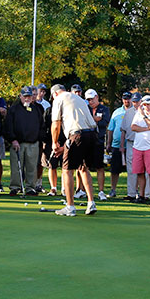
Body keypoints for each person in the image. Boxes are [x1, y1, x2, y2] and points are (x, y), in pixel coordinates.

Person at [50, 83, 99, 216]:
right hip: (92, 134)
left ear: (55, 94)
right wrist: (65, 146)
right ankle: (91, 203)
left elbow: (56, 124)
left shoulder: (59, 99)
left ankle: (70, 207)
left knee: (67, 170)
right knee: (83, 168)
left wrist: (55, 143)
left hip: (77, 135)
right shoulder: (77, 98)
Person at [5, 86, 44, 196]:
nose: (27, 99)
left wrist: (39, 139)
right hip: (18, 143)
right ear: (20, 96)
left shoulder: (37, 109)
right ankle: (15, 187)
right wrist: (12, 140)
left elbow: (42, 125)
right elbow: (8, 126)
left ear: (32, 97)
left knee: (32, 167)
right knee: (16, 167)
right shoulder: (14, 109)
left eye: (29, 96)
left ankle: (30, 187)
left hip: (33, 143)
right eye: (25, 96)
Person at [129, 94, 150, 204]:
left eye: (148, 104)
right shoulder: (138, 114)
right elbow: (133, 127)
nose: (146, 107)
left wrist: (144, 117)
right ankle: (141, 195)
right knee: (139, 172)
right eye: (144, 105)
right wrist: (147, 128)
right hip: (138, 146)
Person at [85, 89, 111, 200]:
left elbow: (104, 122)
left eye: (92, 99)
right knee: (84, 167)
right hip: (86, 141)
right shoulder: (85, 109)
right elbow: (84, 121)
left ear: (97, 97)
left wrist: (93, 120)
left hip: (99, 141)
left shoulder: (104, 109)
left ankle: (101, 191)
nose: (90, 101)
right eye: (88, 100)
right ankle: (82, 190)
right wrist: (94, 120)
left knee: (99, 167)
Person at [108, 92, 131, 195]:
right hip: (116, 145)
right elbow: (111, 129)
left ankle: (133, 191)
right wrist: (109, 143)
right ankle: (113, 189)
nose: (127, 101)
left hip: (131, 145)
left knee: (132, 170)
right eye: (125, 99)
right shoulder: (116, 112)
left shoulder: (135, 111)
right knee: (114, 169)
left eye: (128, 98)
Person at [120, 92, 143, 200]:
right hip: (130, 142)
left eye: (137, 101)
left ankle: (144, 194)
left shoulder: (146, 111)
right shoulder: (128, 113)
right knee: (131, 169)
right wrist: (121, 145)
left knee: (143, 169)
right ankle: (131, 193)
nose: (135, 103)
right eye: (133, 101)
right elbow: (123, 130)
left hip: (143, 143)